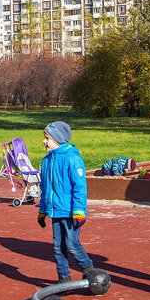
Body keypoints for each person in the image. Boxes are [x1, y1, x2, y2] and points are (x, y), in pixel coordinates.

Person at [37, 121, 94, 283]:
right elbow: (45, 188)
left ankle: (88, 268)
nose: (44, 141)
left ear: (58, 139)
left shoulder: (72, 159)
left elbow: (80, 187)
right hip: (55, 211)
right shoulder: (47, 160)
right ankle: (63, 277)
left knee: (72, 244)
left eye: (47, 138)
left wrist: (79, 210)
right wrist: (42, 210)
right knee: (57, 247)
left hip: (71, 212)